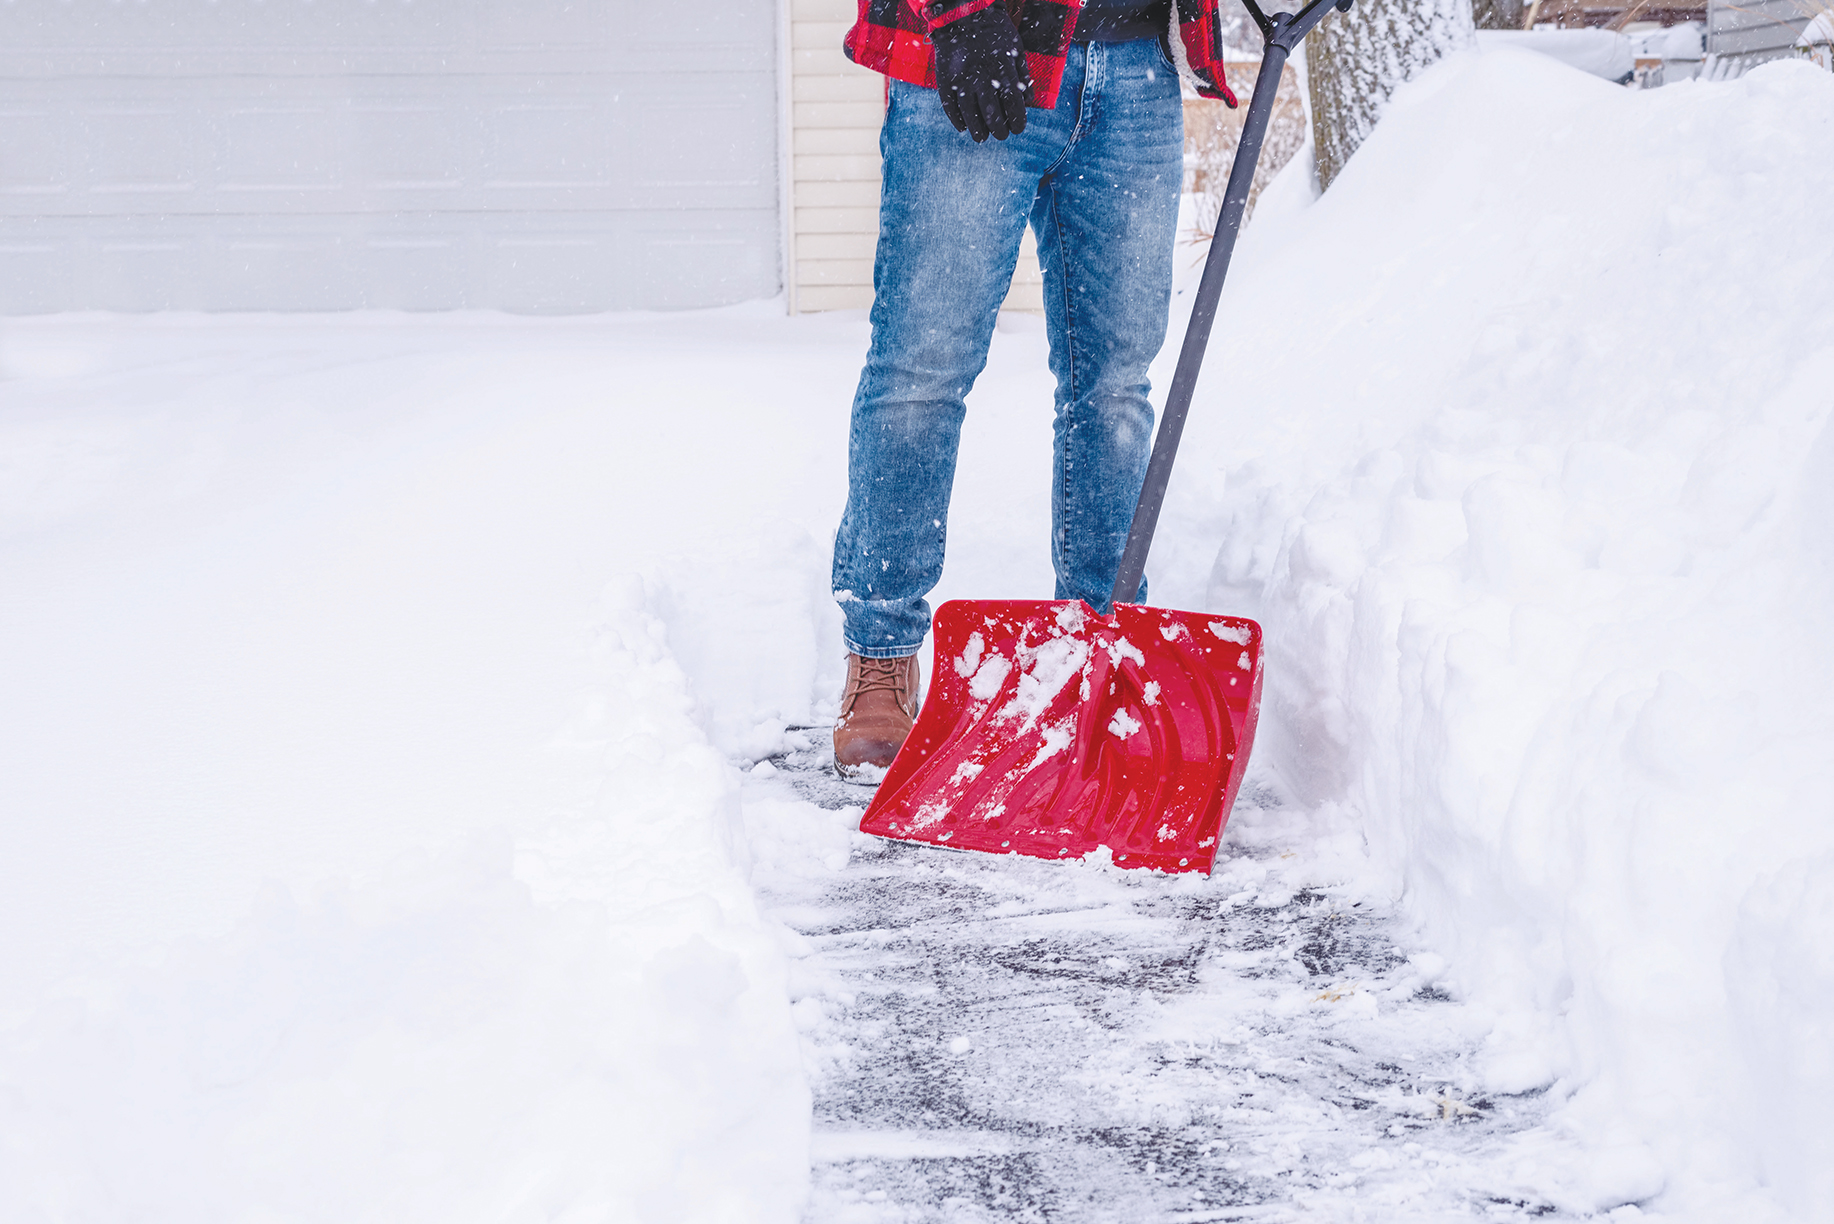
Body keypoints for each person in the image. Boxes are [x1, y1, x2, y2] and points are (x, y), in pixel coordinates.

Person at [830, 0, 1237, 777]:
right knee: (922, 370)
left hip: (1134, 69)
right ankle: (881, 652)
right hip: (981, 42)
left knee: (1114, 384)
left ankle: (1098, 642)